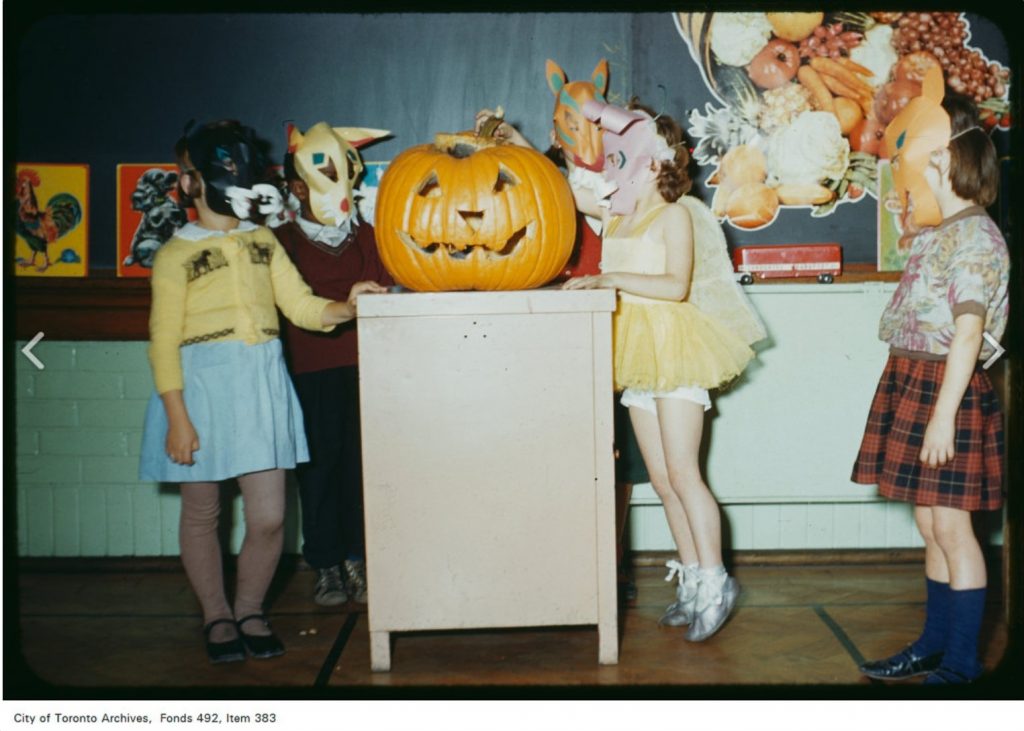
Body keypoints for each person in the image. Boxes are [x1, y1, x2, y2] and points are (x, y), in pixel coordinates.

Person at [490, 97, 766, 640]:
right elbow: (562, 189)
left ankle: (716, 581)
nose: (618, 169)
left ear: (659, 164)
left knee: (685, 474)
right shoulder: (616, 216)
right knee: (662, 480)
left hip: (676, 347)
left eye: (629, 159)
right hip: (639, 353)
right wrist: (514, 142)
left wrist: (609, 281)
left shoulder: (677, 215)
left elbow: (676, 286)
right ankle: (691, 580)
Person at [138, 120, 387, 664]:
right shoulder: (175, 256)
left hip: (261, 385)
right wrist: (177, 417)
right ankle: (217, 615)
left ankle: (250, 607)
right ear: (191, 183)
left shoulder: (263, 242)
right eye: (220, 169)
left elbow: (300, 305)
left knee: (270, 515)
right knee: (203, 512)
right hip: (200, 388)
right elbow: (162, 342)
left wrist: (347, 306)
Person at [852, 88, 1009, 685]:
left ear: (940, 157)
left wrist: (944, 416)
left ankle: (963, 666)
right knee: (929, 525)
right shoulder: (939, 231)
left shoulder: (976, 238)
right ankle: (934, 645)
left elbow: (968, 336)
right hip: (915, 379)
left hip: (951, 390)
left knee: (952, 527)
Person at [269, 122, 393, 607]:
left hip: (369, 371)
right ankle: (325, 564)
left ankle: (358, 559)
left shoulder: (370, 238)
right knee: (318, 470)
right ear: (296, 187)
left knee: (363, 468)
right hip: (311, 374)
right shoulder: (281, 243)